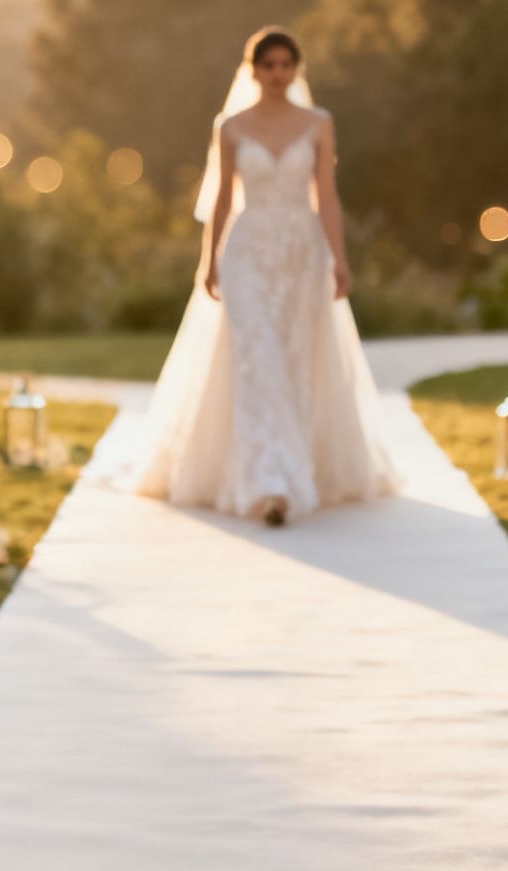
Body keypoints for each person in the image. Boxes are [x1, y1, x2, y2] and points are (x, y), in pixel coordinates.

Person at [133, 27, 400, 525]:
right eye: (268, 65)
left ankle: (296, 465)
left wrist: (339, 258)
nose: (277, 74)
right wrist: (207, 259)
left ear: (297, 69)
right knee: (257, 358)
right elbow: (221, 199)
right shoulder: (231, 126)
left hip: (301, 252)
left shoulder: (319, 123)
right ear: (252, 70)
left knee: (297, 357)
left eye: (285, 65)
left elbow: (327, 195)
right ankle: (268, 483)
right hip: (248, 253)